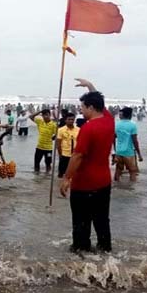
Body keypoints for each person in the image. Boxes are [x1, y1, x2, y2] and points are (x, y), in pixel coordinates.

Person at [60, 79, 115, 253]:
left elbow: (77, 156)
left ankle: (81, 252)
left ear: (91, 108)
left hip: (84, 184)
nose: (81, 111)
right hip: (104, 182)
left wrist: (66, 178)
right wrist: (90, 86)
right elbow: (100, 102)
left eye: (82, 107)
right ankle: (105, 250)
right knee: (101, 220)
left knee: (81, 222)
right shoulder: (109, 120)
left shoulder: (88, 128)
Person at [114, 107, 143, 181]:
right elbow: (135, 141)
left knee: (118, 170)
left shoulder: (117, 124)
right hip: (128, 152)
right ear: (130, 115)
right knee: (132, 171)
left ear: (123, 115)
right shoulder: (132, 125)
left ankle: (116, 186)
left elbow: (113, 137)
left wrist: (114, 149)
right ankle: (132, 190)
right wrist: (139, 154)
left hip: (119, 151)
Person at [30, 109, 57, 174]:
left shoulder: (53, 125)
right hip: (39, 147)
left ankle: (47, 176)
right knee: (36, 163)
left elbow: (57, 133)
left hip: (48, 149)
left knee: (48, 164)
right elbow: (31, 117)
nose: (45, 117)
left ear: (50, 115)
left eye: (47, 115)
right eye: (44, 115)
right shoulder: (40, 121)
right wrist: (40, 111)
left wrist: (54, 137)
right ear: (42, 116)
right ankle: (36, 176)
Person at [56, 112, 80, 179]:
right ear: (65, 120)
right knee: (61, 174)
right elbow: (58, 144)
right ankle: (59, 186)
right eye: (69, 119)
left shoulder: (78, 130)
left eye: (72, 119)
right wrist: (60, 155)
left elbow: (80, 142)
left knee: (74, 174)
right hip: (64, 155)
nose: (71, 121)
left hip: (74, 155)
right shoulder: (61, 130)